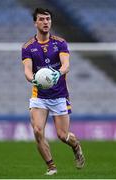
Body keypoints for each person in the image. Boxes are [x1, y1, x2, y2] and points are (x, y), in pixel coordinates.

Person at [22, 8, 85, 175]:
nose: (45, 22)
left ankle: (76, 146)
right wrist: (33, 79)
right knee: (37, 130)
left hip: (59, 95)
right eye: (42, 19)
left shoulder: (60, 43)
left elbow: (66, 65)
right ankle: (51, 167)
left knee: (62, 135)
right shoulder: (28, 47)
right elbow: (27, 71)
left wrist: (59, 72)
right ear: (35, 23)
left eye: (48, 19)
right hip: (39, 96)